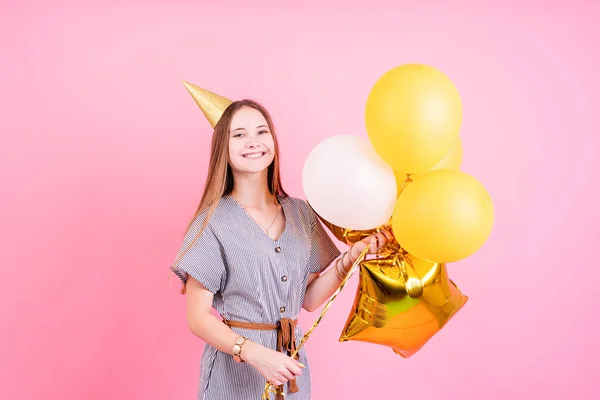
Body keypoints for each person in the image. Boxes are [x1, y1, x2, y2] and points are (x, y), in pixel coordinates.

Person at [170, 99, 393, 400]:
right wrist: (254, 353)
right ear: (223, 147)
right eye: (239, 135)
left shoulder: (301, 214)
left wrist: (348, 260)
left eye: (262, 132)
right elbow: (197, 317)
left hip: (290, 369)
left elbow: (309, 299)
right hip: (234, 376)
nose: (253, 142)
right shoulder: (212, 222)